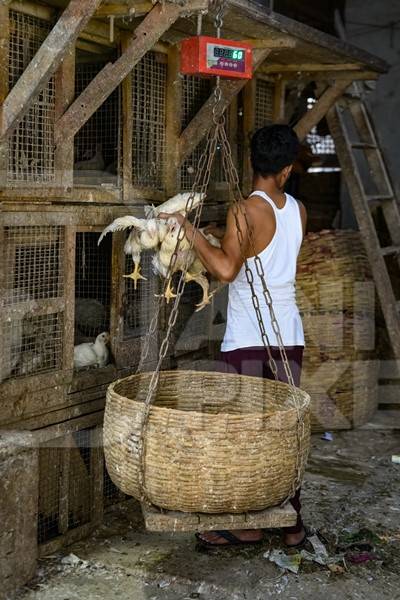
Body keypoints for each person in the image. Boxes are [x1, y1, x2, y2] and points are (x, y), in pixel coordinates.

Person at [160, 124, 307, 548]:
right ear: (285, 170)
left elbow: (226, 269)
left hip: (247, 337)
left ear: (252, 163)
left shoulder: (245, 210)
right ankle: (293, 524)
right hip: (288, 333)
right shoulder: (297, 210)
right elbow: (268, 254)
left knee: (244, 432)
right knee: (285, 429)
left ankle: (246, 524)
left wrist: (190, 232)